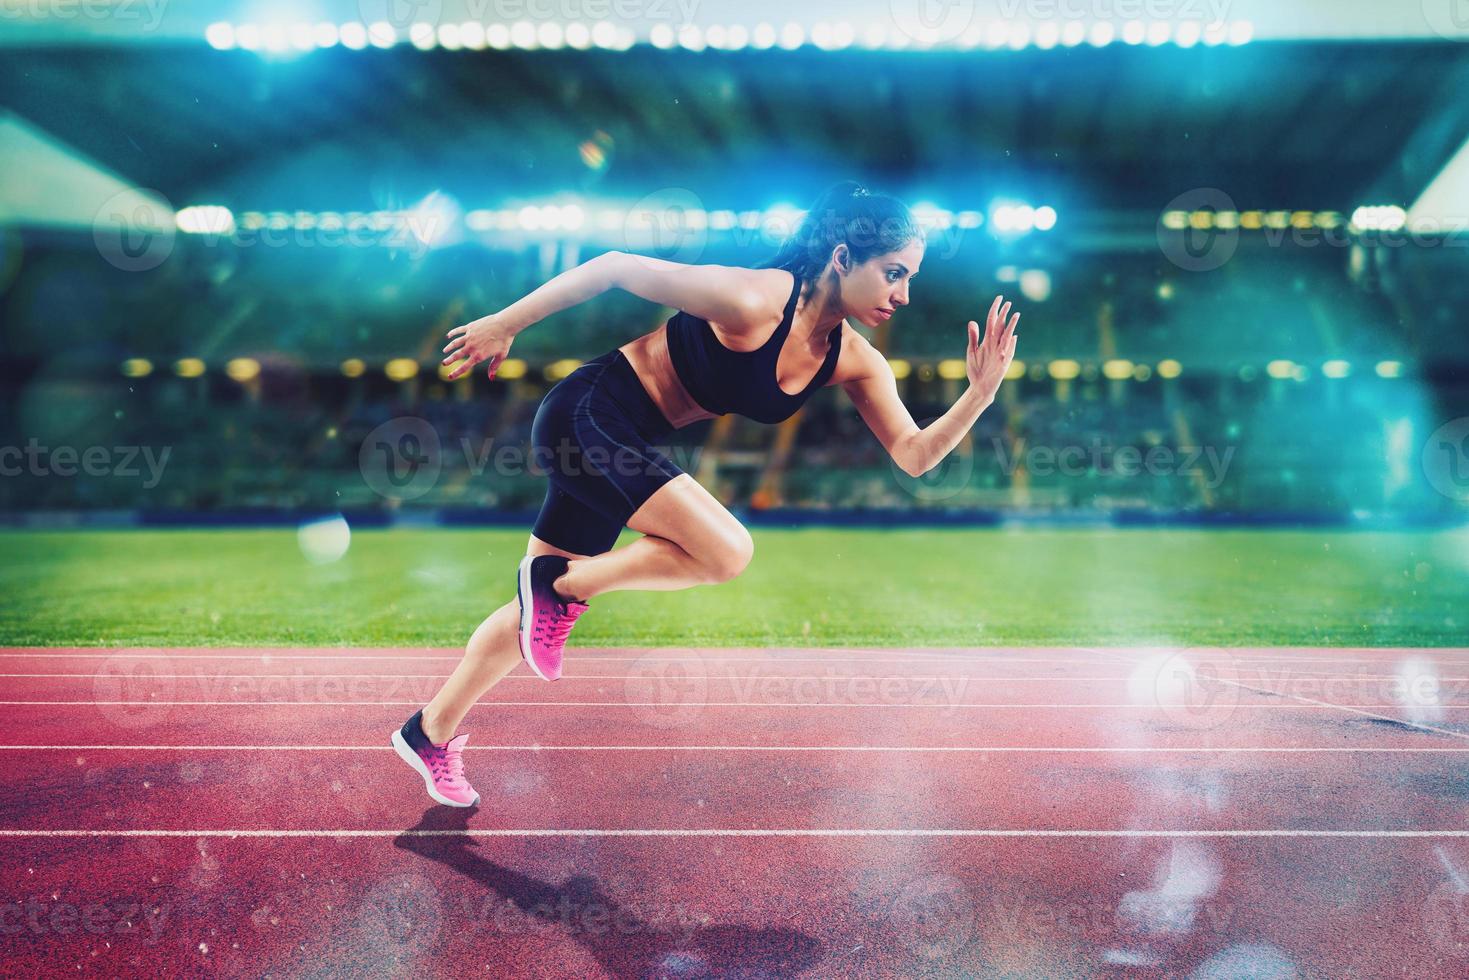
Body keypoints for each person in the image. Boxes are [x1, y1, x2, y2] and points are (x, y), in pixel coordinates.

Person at [391, 181, 1020, 806]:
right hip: (586, 416)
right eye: (894, 273)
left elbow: (912, 456)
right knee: (726, 551)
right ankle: (560, 586)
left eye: (909, 278)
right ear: (842, 258)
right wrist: (505, 323)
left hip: (620, 441)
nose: (904, 294)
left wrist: (980, 394)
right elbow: (615, 268)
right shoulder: (753, 298)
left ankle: (430, 730)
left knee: (529, 618)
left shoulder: (852, 357)